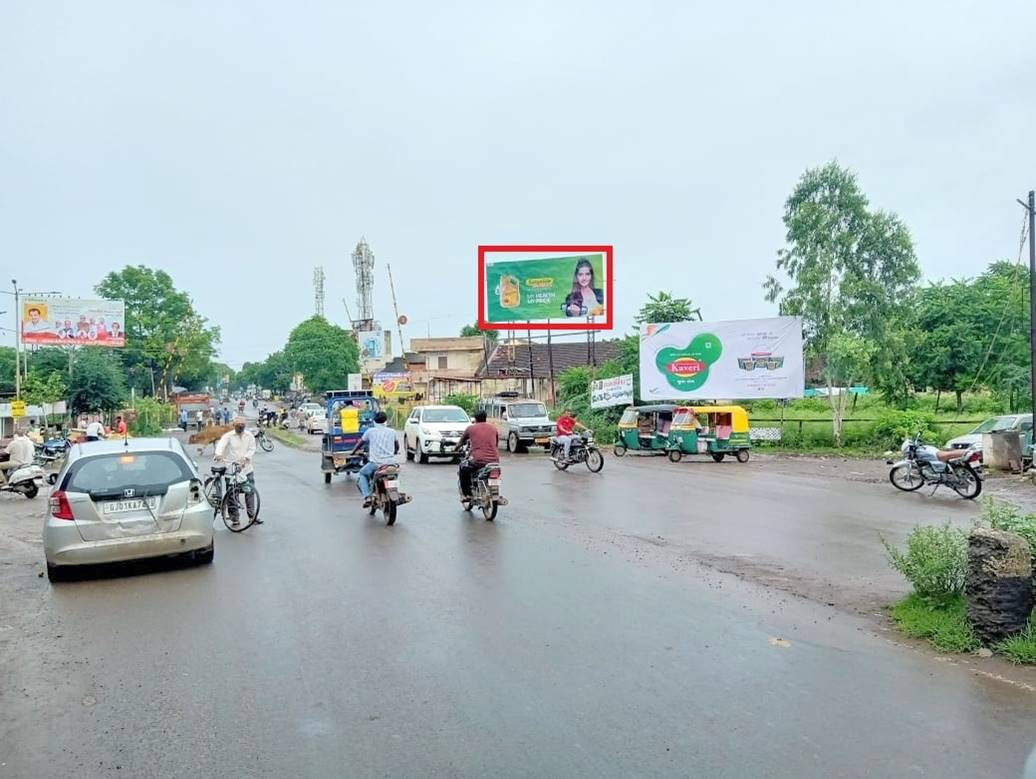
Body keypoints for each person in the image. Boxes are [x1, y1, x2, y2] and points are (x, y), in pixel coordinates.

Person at [214, 416, 260, 526]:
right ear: (234, 426)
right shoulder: (228, 436)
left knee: (249, 491)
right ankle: (235, 518)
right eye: (238, 425)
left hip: (246, 468)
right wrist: (218, 454)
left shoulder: (249, 436)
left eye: (242, 425)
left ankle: (252, 516)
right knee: (232, 494)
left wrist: (246, 458)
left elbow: (252, 448)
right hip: (231, 468)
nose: (241, 427)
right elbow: (221, 445)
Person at [350, 411, 399, 508]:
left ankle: (367, 496)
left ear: (374, 420)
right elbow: (397, 446)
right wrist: (394, 452)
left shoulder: (370, 431)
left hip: (376, 464)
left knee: (362, 474)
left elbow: (360, 443)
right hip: (391, 464)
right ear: (386, 420)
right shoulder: (392, 432)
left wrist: (353, 452)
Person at [457, 410, 500, 501]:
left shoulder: (470, 429)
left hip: (478, 461)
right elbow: (496, 444)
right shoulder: (493, 428)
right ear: (485, 418)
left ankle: (467, 494)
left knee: (463, 467)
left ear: (475, 419)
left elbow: (460, 442)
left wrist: (454, 449)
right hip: (494, 461)